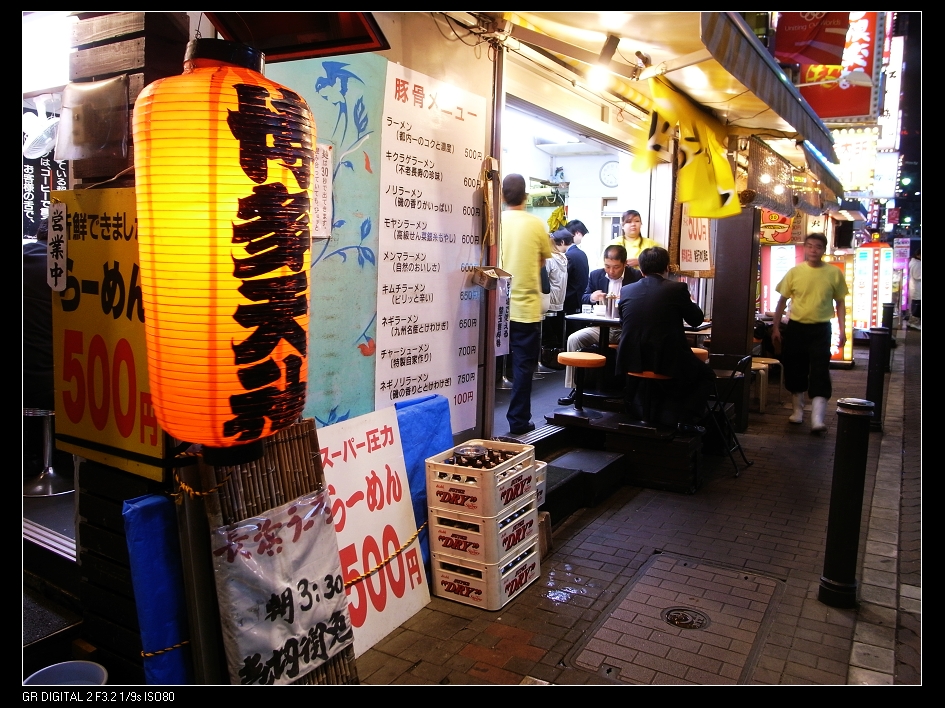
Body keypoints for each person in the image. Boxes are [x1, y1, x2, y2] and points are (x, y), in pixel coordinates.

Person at [615, 247, 715, 425]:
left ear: (641, 270)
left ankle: (644, 411)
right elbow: (696, 320)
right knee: (706, 375)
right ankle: (686, 420)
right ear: (667, 267)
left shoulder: (627, 290)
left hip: (631, 359)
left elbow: (624, 323)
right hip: (666, 360)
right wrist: (689, 300)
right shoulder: (677, 289)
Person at [771, 232, 848, 434]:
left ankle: (818, 418)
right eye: (810, 246)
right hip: (796, 327)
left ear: (823, 250)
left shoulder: (834, 273)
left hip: (821, 328)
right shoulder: (794, 272)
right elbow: (782, 301)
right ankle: (798, 411)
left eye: (818, 247)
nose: (814, 250)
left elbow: (840, 303)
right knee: (795, 368)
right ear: (805, 248)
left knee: (820, 369)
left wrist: (843, 330)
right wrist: (775, 327)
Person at [499, 174, 552, 435]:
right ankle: (518, 421)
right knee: (522, 368)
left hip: (497, 309)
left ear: (502, 196)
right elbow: (543, 261)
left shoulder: (497, 222)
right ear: (526, 197)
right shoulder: (536, 224)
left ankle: (478, 420)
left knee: (487, 366)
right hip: (527, 309)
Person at [558, 244, 641, 405]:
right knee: (574, 339)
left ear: (625, 264)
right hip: (601, 326)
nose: (611, 271)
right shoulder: (596, 275)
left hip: (626, 328)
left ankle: (628, 391)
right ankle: (575, 388)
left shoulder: (636, 276)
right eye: (607, 266)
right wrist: (592, 297)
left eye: (616, 267)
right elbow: (584, 297)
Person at [541, 233, 570, 357]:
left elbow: (543, 282)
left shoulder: (548, 259)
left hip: (548, 299)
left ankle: (544, 357)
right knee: (555, 333)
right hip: (560, 300)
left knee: (547, 334)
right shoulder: (563, 258)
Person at [560, 223, 589, 339]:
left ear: (562, 242)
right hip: (579, 300)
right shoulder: (581, 254)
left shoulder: (569, 256)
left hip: (570, 302)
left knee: (570, 336)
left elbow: (563, 280)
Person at [908, 249, 921, 330]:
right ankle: (914, 323)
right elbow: (917, 275)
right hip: (917, 288)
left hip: (917, 288)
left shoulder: (916, 262)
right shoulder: (917, 264)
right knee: (917, 306)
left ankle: (913, 322)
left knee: (917, 305)